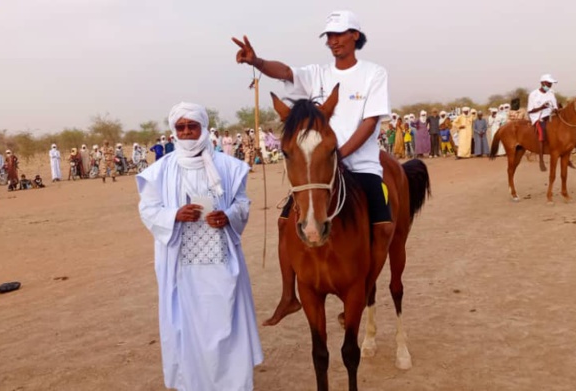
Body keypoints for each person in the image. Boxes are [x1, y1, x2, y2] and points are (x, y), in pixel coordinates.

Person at [234, 9, 394, 326]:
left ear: (355, 36)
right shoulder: (318, 74)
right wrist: (258, 62)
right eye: (329, 36)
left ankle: (363, 287)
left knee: (384, 226)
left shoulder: (374, 74)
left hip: (359, 164)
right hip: (318, 169)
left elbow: (370, 121)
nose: (333, 41)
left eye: (339, 34)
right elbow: (287, 74)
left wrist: (338, 155)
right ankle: (288, 297)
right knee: (284, 223)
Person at [137, 102, 262, 391]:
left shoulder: (228, 167)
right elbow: (148, 209)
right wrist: (174, 215)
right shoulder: (159, 171)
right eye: (180, 127)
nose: (186, 132)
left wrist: (228, 216)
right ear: (173, 132)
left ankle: (233, 383)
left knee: (225, 321)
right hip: (181, 267)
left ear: (203, 127)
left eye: (191, 126)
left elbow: (242, 204)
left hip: (220, 262)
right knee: (187, 325)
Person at [527, 74, 559, 171]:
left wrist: (556, 110)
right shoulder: (533, 94)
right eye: (548, 84)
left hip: (550, 116)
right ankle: (541, 159)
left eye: (550, 84)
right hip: (538, 117)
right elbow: (530, 111)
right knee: (542, 131)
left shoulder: (551, 93)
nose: (549, 86)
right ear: (542, 83)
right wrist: (542, 107)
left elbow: (555, 106)